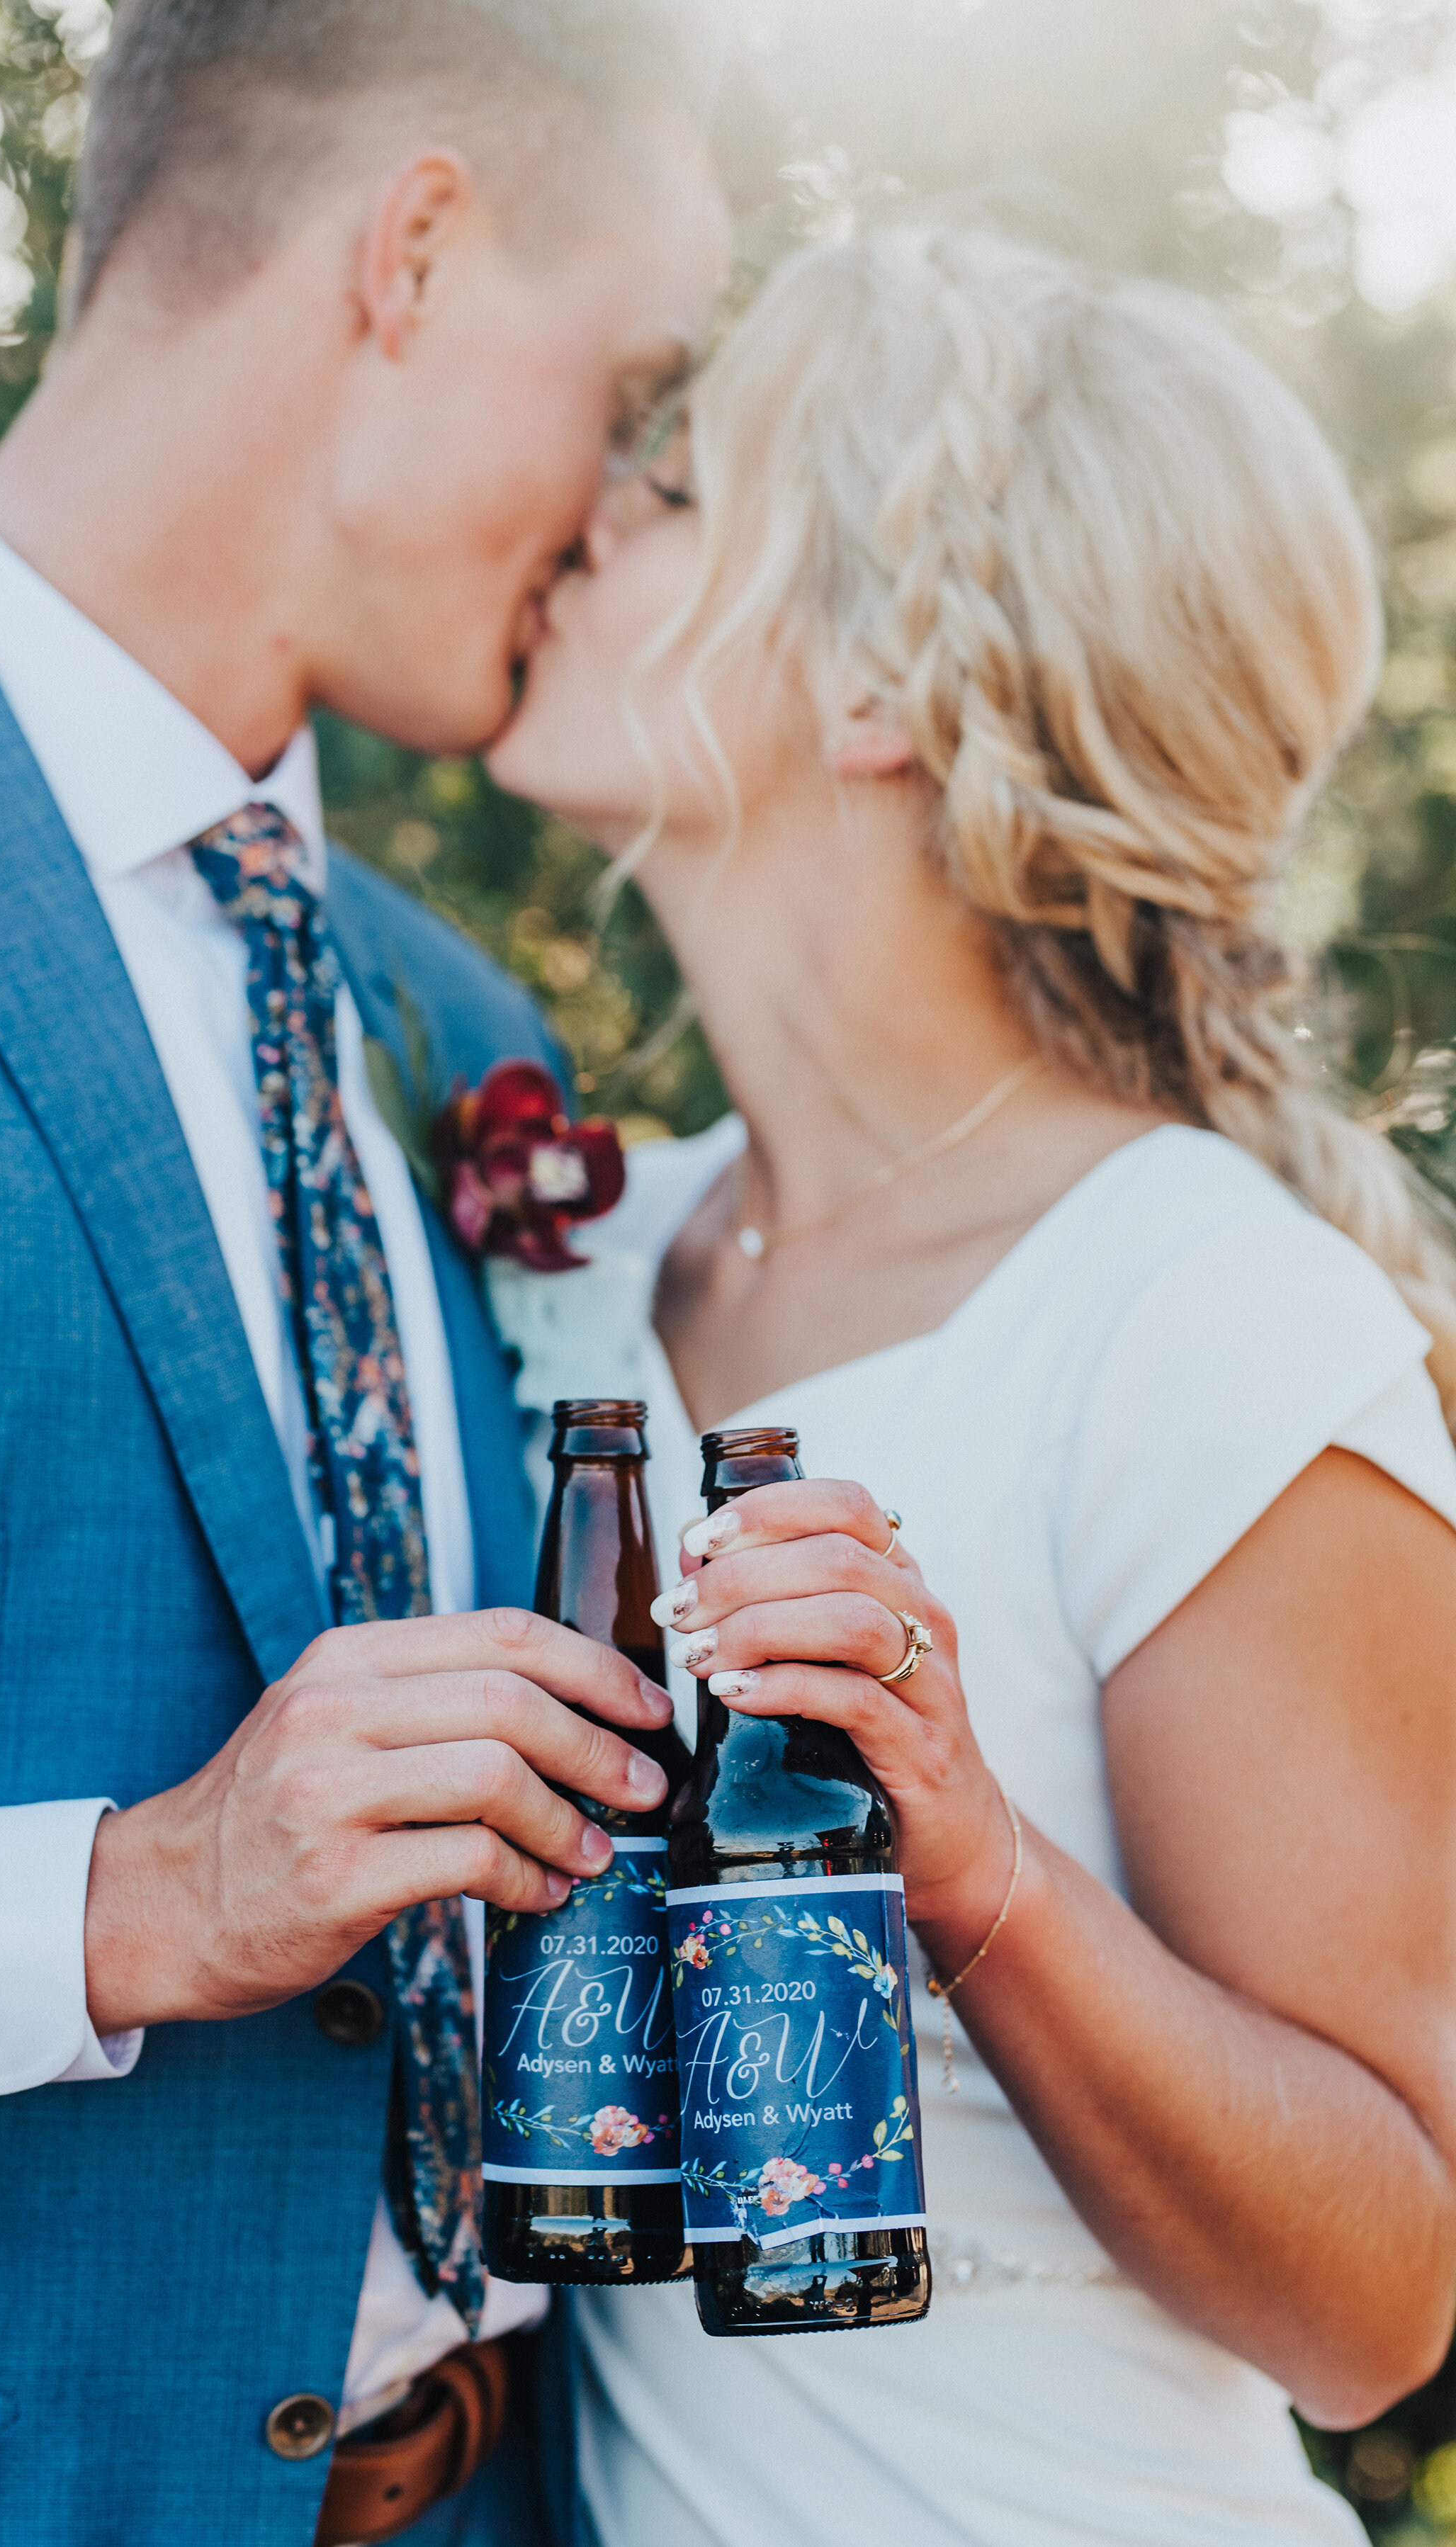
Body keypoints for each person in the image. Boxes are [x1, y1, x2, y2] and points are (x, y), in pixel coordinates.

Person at [0, 4, 730, 2541]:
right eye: (627, 382)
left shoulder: (452, 1022)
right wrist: (128, 1897)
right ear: (410, 253)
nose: (628, 504)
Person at [485, 224, 1456, 2546]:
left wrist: (979, 1865)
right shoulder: (595, 1258)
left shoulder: (1198, 1308)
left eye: (687, 490)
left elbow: (1386, 2300)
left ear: (881, 683)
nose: (595, 512)